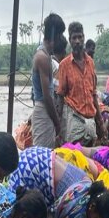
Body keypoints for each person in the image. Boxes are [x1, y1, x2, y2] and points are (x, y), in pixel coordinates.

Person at [57, 21, 103, 145]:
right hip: (73, 116)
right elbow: (61, 96)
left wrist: (100, 122)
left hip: (90, 117)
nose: (77, 41)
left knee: (89, 154)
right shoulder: (64, 65)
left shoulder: (91, 63)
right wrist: (58, 127)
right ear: (70, 40)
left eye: (80, 37)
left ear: (84, 37)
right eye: (74, 38)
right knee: (75, 154)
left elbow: (93, 93)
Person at [31, 13, 65, 148]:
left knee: (48, 153)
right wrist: (57, 123)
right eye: (60, 35)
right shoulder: (43, 58)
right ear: (55, 36)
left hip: (46, 112)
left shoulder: (45, 55)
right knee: (43, 156)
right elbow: (47, 97)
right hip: (44, 112)